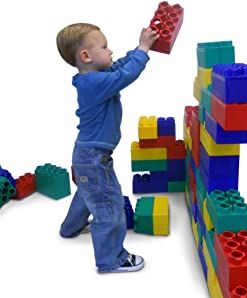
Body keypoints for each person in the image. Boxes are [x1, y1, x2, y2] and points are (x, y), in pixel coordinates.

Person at [56, 23, 159, 273]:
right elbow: (125, 75)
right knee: (108, 204)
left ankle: (70, 228)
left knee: (88, 192)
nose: (110, 50)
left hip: (87, 156)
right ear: (86, 56)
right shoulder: (95, 83)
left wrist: (138, 49)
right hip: (93, 158)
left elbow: (118, 67)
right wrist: (144, 49)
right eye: (104, 47)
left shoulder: (94, 77)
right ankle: (111, 259)